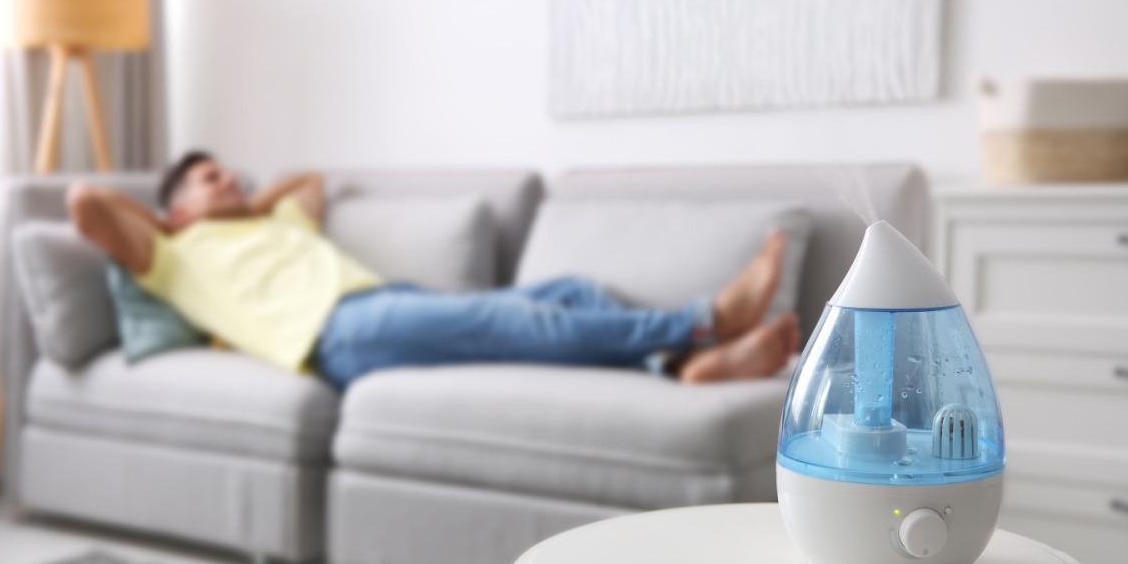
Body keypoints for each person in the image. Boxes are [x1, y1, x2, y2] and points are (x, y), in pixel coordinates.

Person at [68, 152, 802, 390]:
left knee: (572, 289)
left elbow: (313, 181)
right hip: (333, 336)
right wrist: (171, 225)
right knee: (507, 319)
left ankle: (681, 366)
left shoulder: (272, 219)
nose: (225, 179)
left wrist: (248, 201)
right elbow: (86, 202)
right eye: (206, 179)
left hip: (386, 302)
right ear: (176, 208)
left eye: (226, 170)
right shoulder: (171, 256)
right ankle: (706, 319)